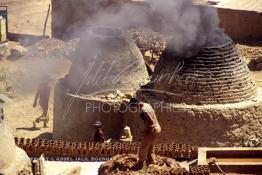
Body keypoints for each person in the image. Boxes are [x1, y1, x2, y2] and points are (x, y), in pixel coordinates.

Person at [129, 98, 161, 168]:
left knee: (143, 147)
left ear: (136, 104)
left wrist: (146, 130)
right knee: (150, 147)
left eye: (134, 107)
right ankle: (152, 161)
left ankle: (140, 164)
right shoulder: (147, 105)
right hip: (157, 128)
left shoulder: (143, 111)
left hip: (152, 130)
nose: (135, 109)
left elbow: (151, 121)